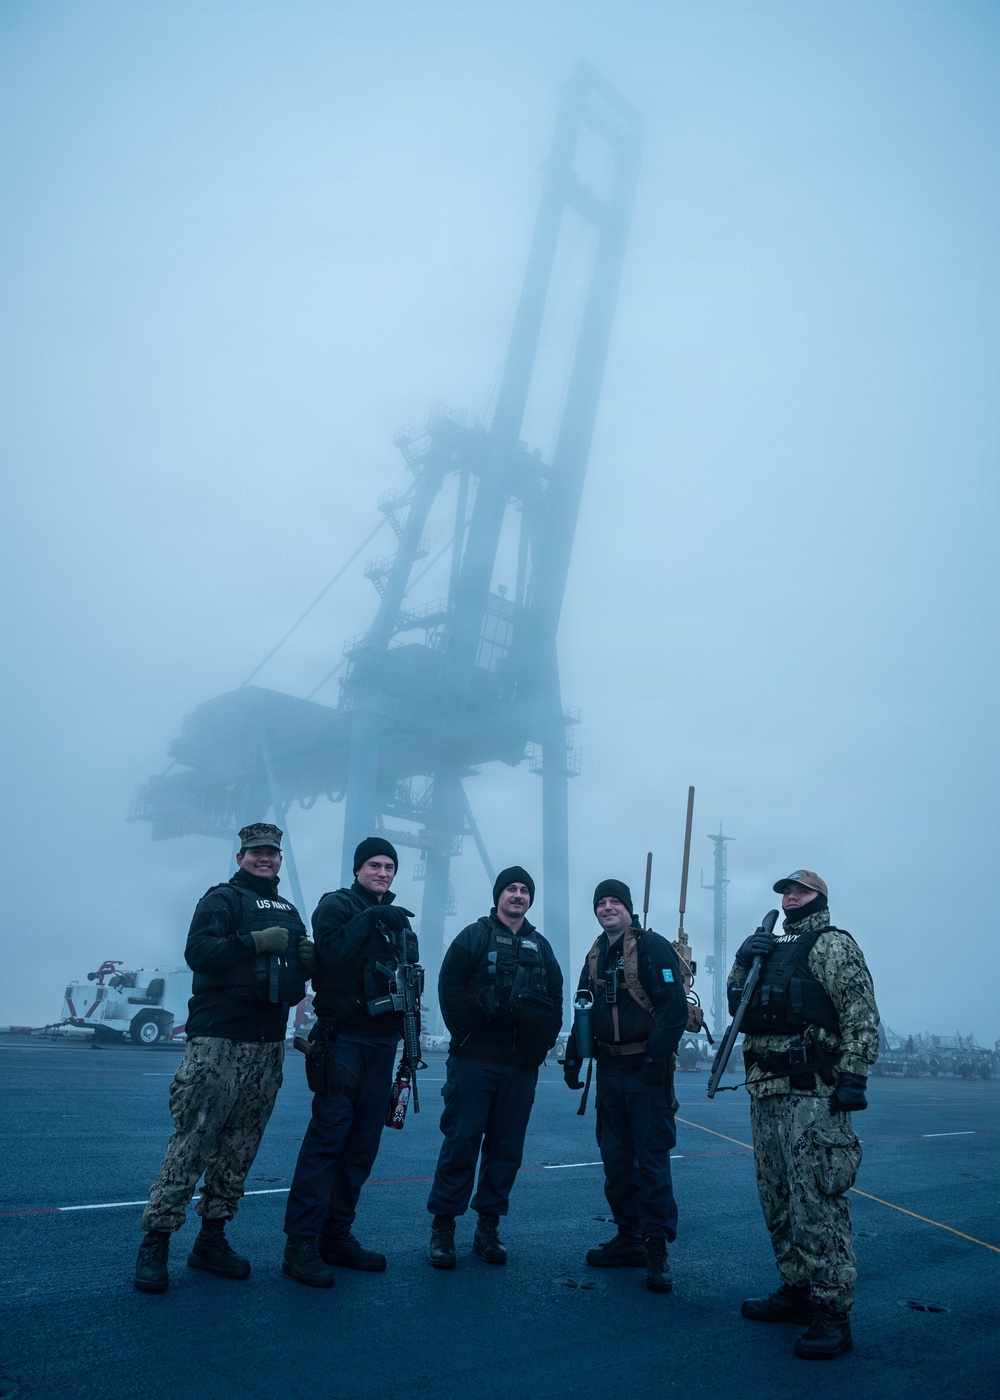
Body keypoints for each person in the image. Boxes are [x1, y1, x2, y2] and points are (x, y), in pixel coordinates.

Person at [134, 823, 311, 1293]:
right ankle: (156, 1240)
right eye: (255, 853)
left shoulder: (291, 912)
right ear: (240, 858)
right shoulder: (222, 900)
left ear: (279, 860)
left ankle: (212, 1238)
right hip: (219, 1041)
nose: (264, 859)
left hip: (267, 1043)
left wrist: (309, 961)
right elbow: (198, 952)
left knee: (241, 1145)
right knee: (194, 1138)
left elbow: (295, 972)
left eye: (271, 853)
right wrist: (254, 942)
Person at [730, 869, 879, 1360]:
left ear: (820, 898)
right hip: (766, 1091)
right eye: (786, 892)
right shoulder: (768, 949)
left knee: (816, 1200)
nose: (790, 898)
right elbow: (739, 1005)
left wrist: (854, 1074)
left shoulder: (834, 946)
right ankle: (795, 1290)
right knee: (775, 1197)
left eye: (800, 891)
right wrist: (742, 960)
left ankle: (833, 1312)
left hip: (813, 1094)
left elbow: (860, 1010)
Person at [282, 836, 419, 1287]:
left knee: (362, 1145)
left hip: (383, 1047)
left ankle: (336, 1234)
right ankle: (301, 1243)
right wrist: (373, 915)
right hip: (342, 1042)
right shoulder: (336, 906)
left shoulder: (400, 924)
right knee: (328, 1140)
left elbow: (409, 984)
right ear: (359, 868)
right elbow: (332, 956)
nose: (383, 873)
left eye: (390, 867)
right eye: (375, 865)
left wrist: (408, 1045)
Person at [426, 866, 563, 1269]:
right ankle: (443, 1229)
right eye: (511, 889)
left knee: (506, 1150)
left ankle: (487, 1229)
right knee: (461, 1142)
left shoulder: (542, 946)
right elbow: (449, 986)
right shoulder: (474, 935)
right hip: (474, 1063)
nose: (517, 895)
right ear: (498, 896)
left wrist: (538, 1050)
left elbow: (554, 1003)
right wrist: (467, 1033)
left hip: (520, 1069)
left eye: (524, 890)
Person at [562, 879, 688, 1293]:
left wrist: (655, 1060)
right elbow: (583, 1005)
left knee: (650, 1161)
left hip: (645, 1072)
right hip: (610, 1073)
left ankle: (656, 1250)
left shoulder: (652, 948)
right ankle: (628, 1237)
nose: (608, 907)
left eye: (615, 901)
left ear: (629, 909)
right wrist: (574, 1053)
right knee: (616, 1160)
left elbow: (672, 1007)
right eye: (601, 902)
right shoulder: (596, 953)